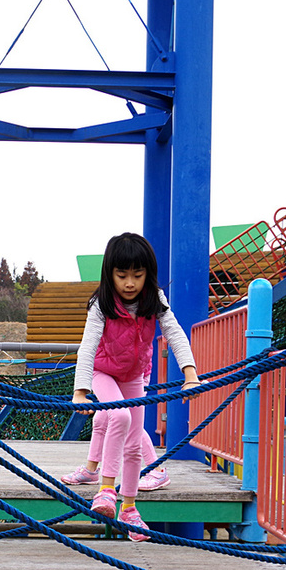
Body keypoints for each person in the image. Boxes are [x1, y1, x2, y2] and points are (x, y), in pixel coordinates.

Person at [71, 232, 200, 541]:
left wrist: (190, 373)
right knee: (119, 416)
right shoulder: (101, 304)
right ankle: (105, 490)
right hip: (104, 372)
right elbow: (87, 348)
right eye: (122, 275)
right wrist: (81, 391)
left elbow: (175, 332)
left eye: (137, 275)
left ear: (148, 275)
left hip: (132, 376)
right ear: (109, 274)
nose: (130, 283)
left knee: (132, 444)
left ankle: (129, 508)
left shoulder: (154, 300)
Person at [60, 406, 170, 491]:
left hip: (127, 379)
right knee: (100, 420)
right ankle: (90, 471)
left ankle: (156, 470)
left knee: (131, 422)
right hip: (113, 379)